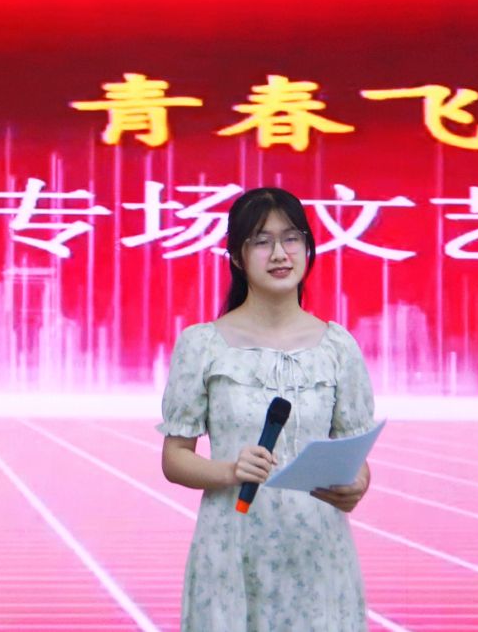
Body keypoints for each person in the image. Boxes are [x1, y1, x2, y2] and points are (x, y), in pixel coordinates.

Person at [159, 187, 376, 632]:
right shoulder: (203, 345)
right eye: (261, 241)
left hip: (318, 551)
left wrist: (356, 484)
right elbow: (174, 457)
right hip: (232, 546)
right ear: (237, 258)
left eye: (291, 238)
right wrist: (230, 470)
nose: (279, 253)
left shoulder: (337, 347)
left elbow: (356, 455)